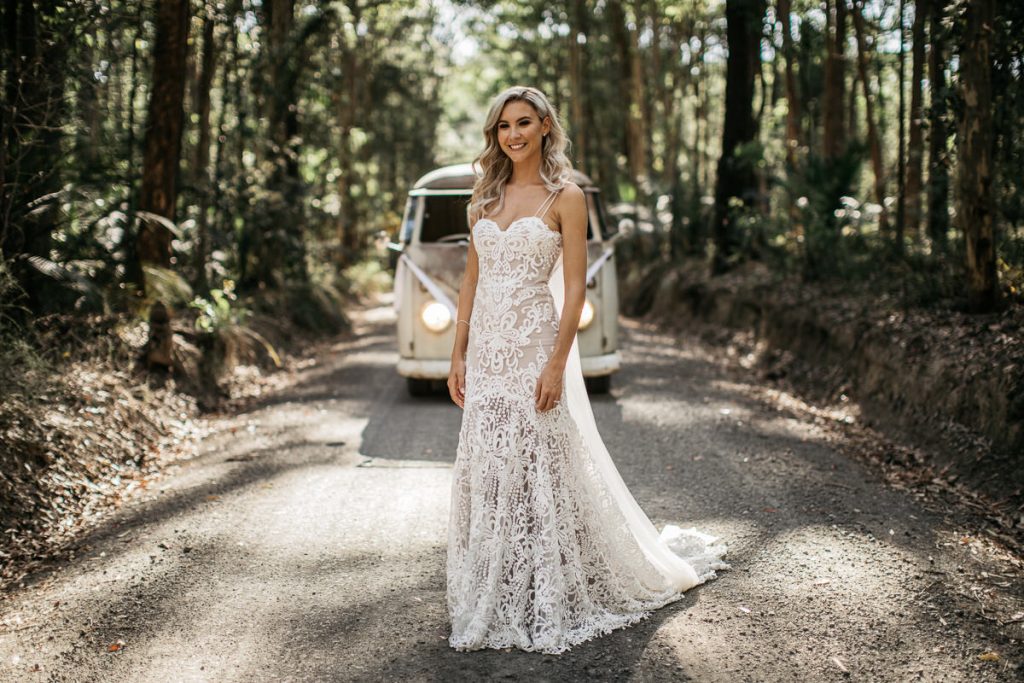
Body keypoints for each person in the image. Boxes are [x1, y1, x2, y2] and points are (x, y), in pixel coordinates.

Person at [445, 85, 729, 655]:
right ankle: (496, 584)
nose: (514, 135)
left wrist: (556, 362)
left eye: (525, 123)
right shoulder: (482, 198)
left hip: (533, 346)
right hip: (489, 352)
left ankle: (546, 585)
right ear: (494, 134)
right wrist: (458, 351)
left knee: (538, 461)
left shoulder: (565, 197)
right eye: (504, 126)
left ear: (546, 127)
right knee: (490, 461)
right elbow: (471, 281)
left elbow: (575, 289)